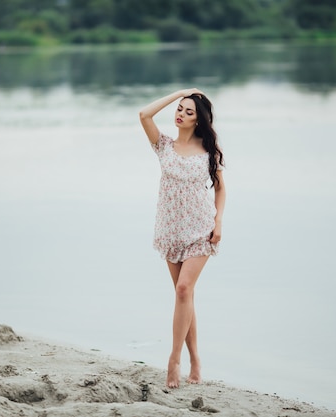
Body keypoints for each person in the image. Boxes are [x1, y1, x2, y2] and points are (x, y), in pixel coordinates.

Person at [139, 88, 226, 389]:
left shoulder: (208, 150)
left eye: (189, 111)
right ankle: (196, 359)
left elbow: (220, 189)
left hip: (201, 230)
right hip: (170, 230)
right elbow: (144, 114)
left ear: (198, 120)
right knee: (184, 297)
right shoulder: (163, 145)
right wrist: (181, 92)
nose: (181, 114)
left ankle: (174, 359)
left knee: (184, 289)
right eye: (179, 109)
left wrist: (218, 222)